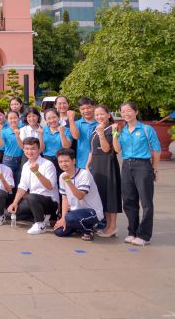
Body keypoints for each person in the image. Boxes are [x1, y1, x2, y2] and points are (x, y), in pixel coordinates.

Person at [112, 101, 161, 246]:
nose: (126, 114)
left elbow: (156, 150)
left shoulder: (146, 129)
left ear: (136, 112)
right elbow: (117, 150)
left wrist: (154, 169)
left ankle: (144, 235)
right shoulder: (122, 131)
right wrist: (114, 134)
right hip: (127, 166)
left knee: (146, 202)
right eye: (123, 112)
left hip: (143, 166)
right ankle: (132, 232)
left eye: (129, 110)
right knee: (128, 200)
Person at [7, 137, 58, 235]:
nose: (29, 152)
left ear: (39, 149)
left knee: (31, 196)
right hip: (33, 201)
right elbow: (22, 186)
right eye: (27, 149)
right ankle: (42, 217)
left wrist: (36, 172)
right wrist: (15, 202)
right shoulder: (26, 165)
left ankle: (40, 224)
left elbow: (50, 186)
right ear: (23, 150)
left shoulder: (48, 164)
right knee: (9, 214)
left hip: (49, 201)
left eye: (33, 149)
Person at [85, 105, 121, 238]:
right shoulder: (96, 128)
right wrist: (88, 164)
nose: (99, 117)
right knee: (102, 195)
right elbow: (92, 149)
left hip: (107, 164)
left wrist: (101, 134)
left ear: (108, 115)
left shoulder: (113, 128)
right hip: (96, 165)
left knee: (111, 195)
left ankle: (113, 226)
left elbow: (107, 149)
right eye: (97, 115)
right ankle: (107, 226)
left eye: (102, 114)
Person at [54, 148, 103, 241]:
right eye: (60, 162)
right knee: (59, 231)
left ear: (74, 161)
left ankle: (88, 230)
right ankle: (79, 227)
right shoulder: (62, 176)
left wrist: (68, 181)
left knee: (70, 217)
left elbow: (80, 196)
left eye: (66, 161)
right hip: (75, 212)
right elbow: (64, 199)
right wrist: (63, 219)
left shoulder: (84, 174)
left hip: (92, 212)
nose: (63, 164)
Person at [68, 98, 98, 169]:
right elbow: (75, 136)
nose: (86, 111)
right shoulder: (76, 124)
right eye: (82, 109)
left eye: (89, 107)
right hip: (82, 162)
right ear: (79, 110)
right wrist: (71, 119)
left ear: (94, 107)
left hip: (99, 162)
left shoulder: (100, 122)